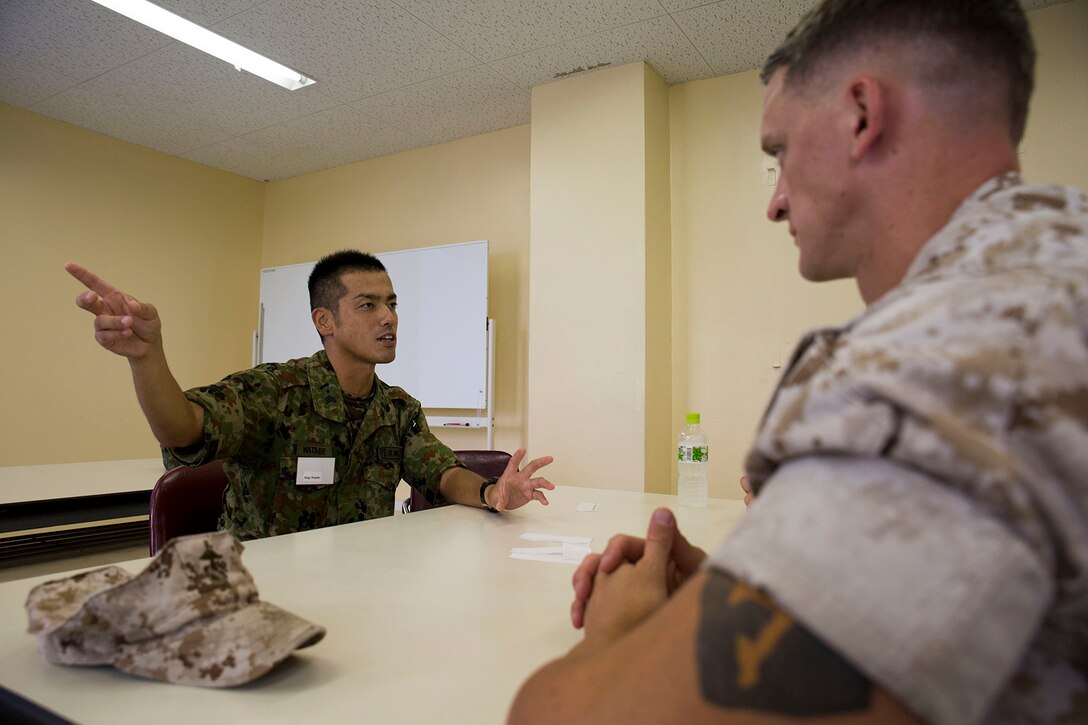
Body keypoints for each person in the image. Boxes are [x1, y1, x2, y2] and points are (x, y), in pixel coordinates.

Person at [509, 1, 1087, 723]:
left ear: (861, 113)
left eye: (778, 153)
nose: (775, 202)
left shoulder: (935, 354)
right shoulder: (1058, 266)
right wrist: (739, 588)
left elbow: (563, 716)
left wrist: (621, 626)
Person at [68, 250, 554, 540]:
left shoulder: (398, 409)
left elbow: (441, 473)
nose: (388, 317)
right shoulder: (274, 392)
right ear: (325, 321)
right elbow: (185, 430)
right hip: (264, 585)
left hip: (363, 579)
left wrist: (492, 493)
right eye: (368, 305)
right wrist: (147, 358)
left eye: (392, 303)